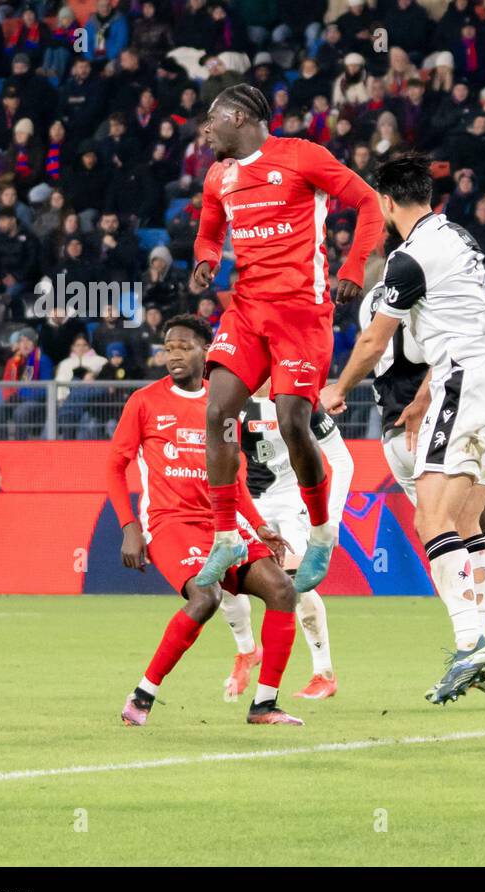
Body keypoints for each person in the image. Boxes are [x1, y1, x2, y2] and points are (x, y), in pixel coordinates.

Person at [320, 154, 485, 705]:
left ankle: (471, 644)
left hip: (464, 385)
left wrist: (336, 391)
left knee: (431, 517)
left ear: (386, 202)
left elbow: (373, 342)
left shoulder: (406, 261)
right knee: (464, 521)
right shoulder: (459, 238)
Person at [189, 83, 384, 596]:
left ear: (237, 117)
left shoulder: (302, 157)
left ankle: (321, 532)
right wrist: (206, 259)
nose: (204, 131)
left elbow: (368, 203)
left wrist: (355, 265)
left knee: (295, 421)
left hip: (301, 315)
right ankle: (227, 534)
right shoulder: (218, 178)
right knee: (217, 413)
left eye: (211, 121)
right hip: (247, 312)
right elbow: (209, 232)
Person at [355, 277, 485, 702]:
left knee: (471, 526)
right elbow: (452, 345)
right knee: (461, 524)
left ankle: (483, 648)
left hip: (400, 433)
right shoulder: (425, 298)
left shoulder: (375, 305)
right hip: (428, 421)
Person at [107, 315, 302, 727]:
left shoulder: (224, 403)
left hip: (224, 524)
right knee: (205, 598)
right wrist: (129, 527)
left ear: (206, 352)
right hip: (172, 523)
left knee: (283, 589)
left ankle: (265, 705)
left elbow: (234, 471)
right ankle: (143, 695)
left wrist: (259, 524)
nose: (173, 354)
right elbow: (113, 467)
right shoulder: (143, 402)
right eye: (168, 347)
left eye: (184, 346)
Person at [217, 385, 355, 702]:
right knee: (224, 578)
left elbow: (343, 461)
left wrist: (330, 523)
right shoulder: (232, 401)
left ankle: (324, 674)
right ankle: (246, 652)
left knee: (298, 586)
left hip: (294, 502)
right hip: (251, 505)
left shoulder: (301, 400)